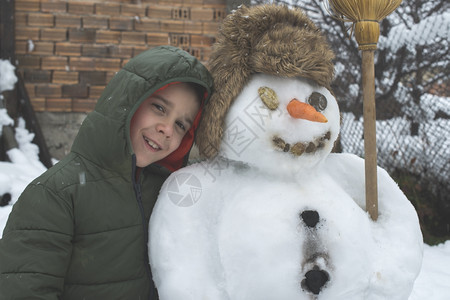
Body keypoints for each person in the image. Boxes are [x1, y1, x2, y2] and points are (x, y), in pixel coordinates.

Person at [0, 45, 213, 299]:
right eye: (159, 108)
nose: (167, 128)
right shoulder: (54, 196)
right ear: (127, 102)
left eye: (180, 124)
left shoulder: (169, 194)